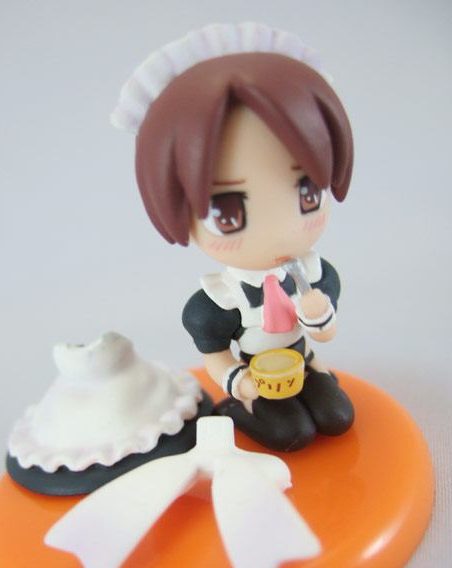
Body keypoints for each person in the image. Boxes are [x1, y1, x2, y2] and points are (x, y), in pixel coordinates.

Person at [112, 23, 355, 451]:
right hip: (256, 379)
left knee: (338, 418)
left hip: (303, 364)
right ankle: (234, 412)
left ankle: (311, 395)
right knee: (292, 434)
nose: (281, 230)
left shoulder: (317, 274)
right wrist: (240, 384)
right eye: (228, 213)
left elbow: (325, 333)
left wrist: (318, 315)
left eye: (308, 194)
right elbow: (216, 357)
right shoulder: (216, 302)